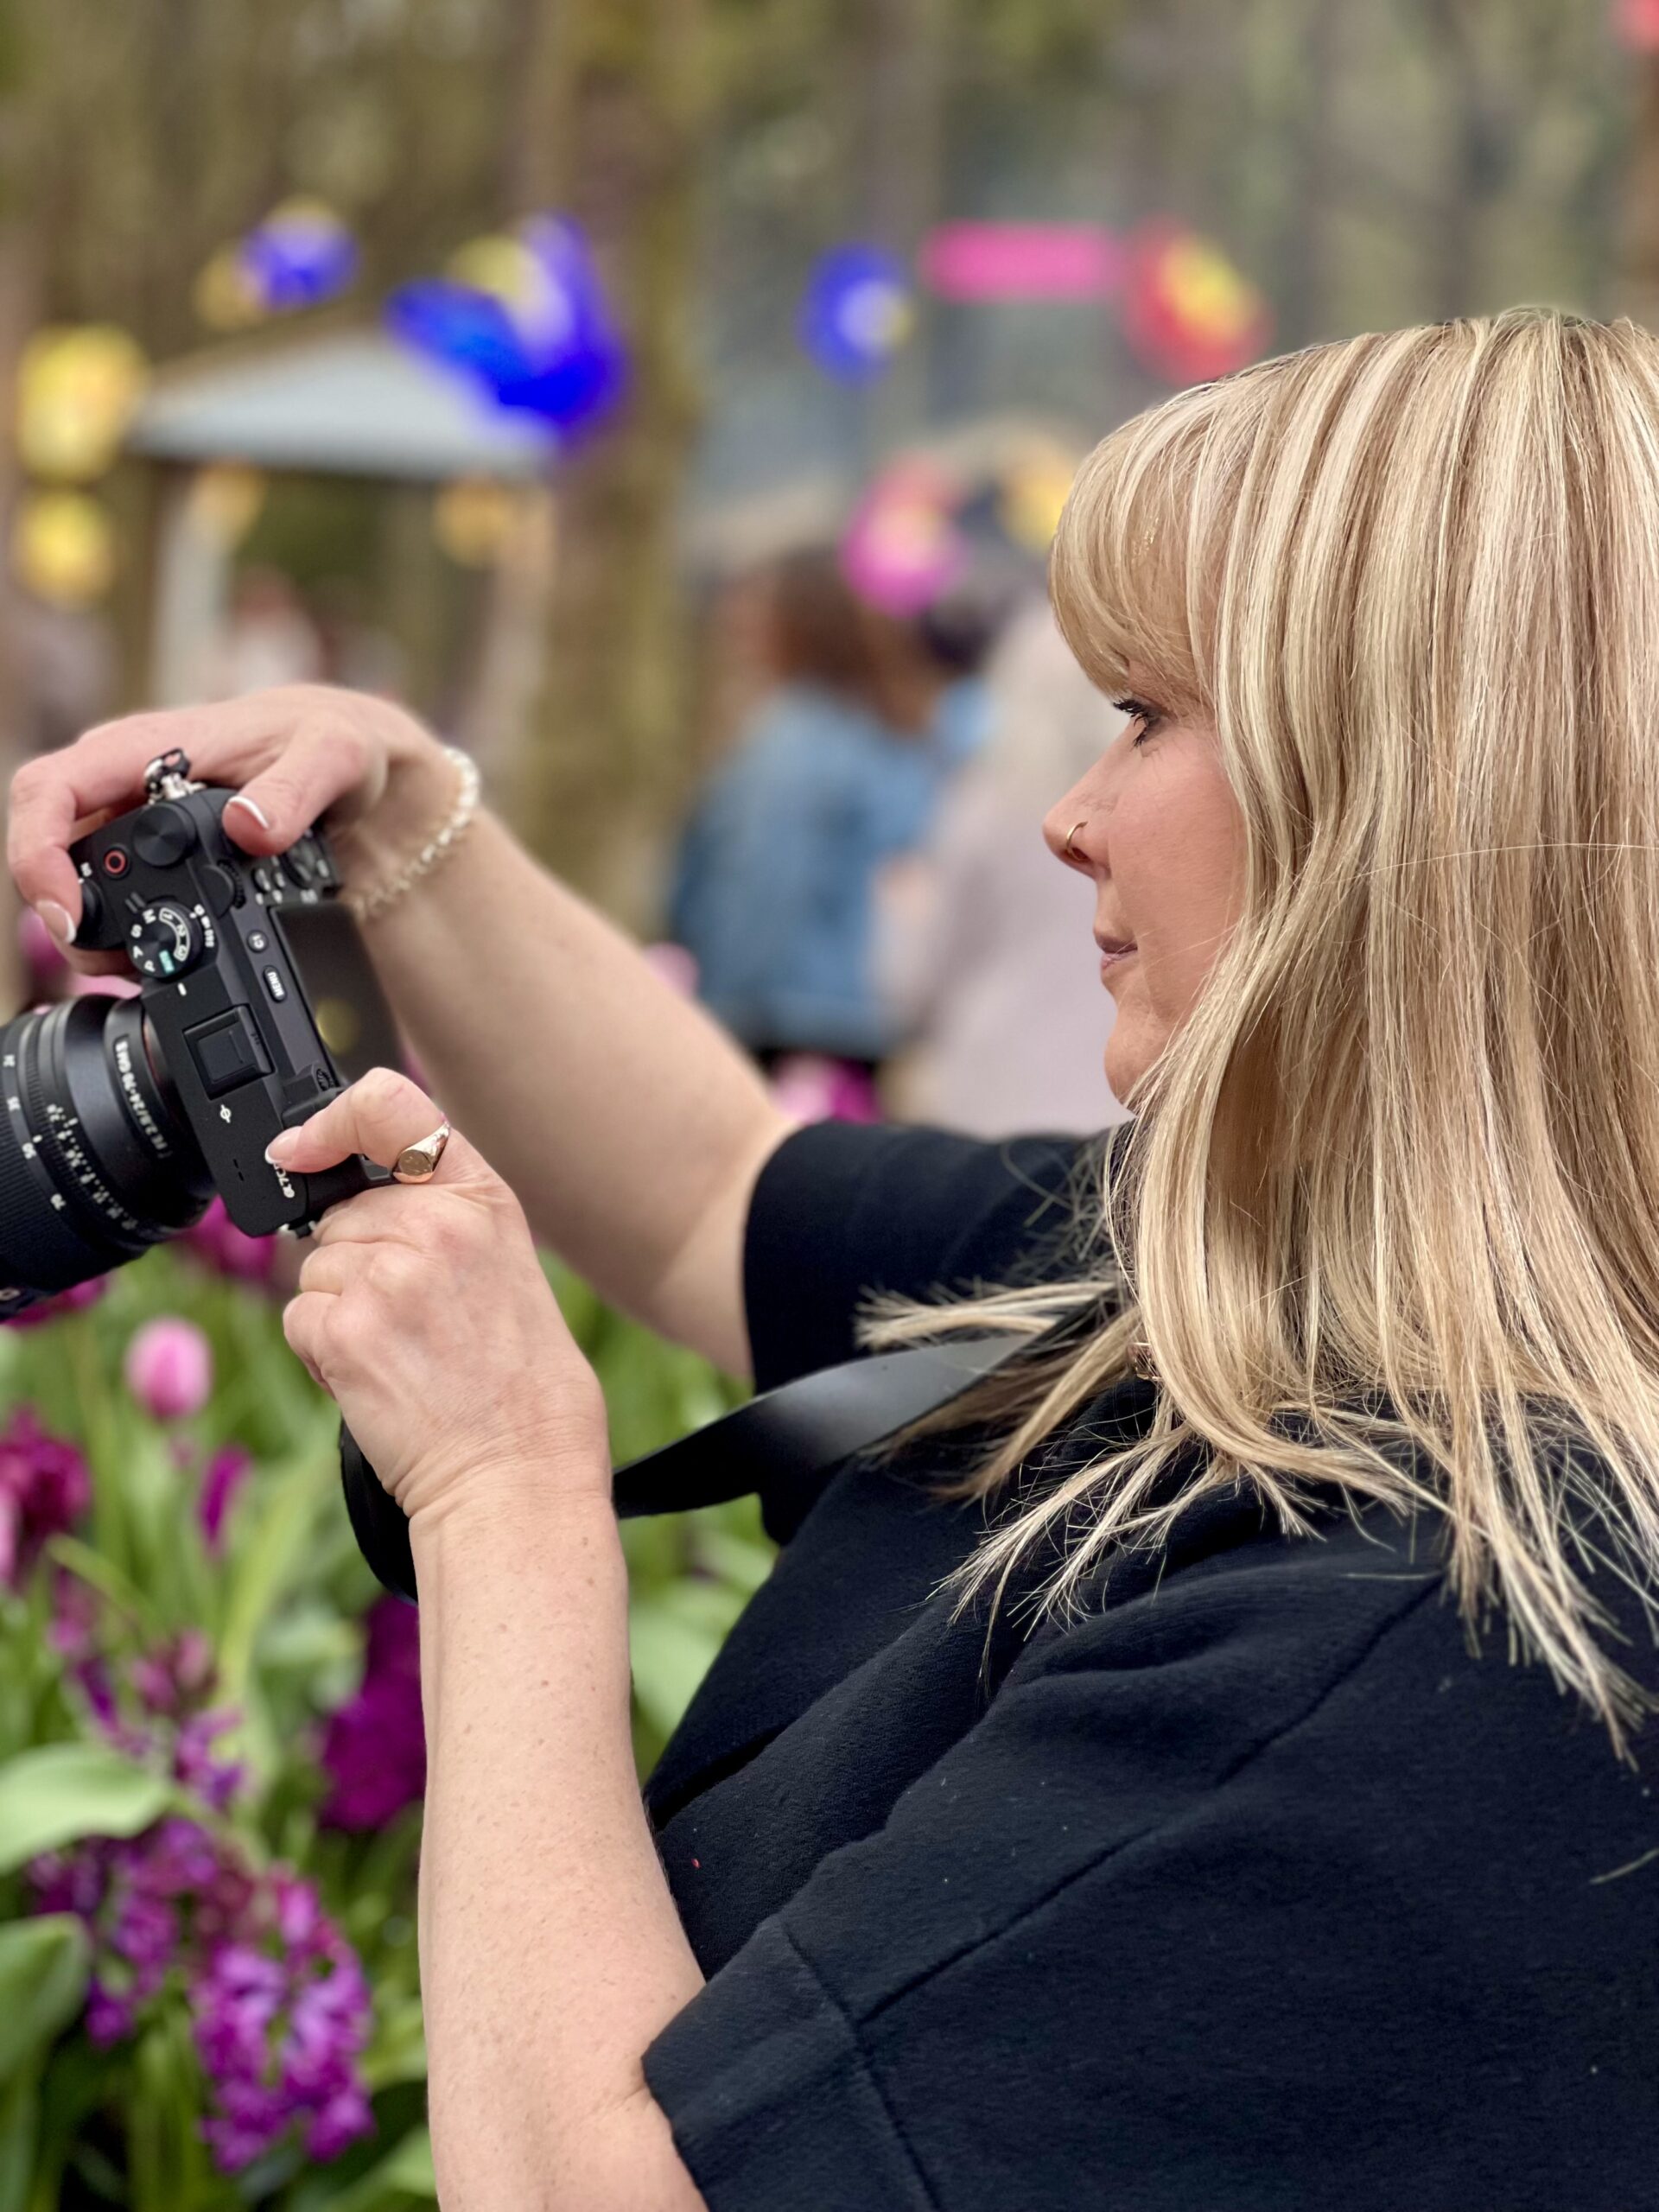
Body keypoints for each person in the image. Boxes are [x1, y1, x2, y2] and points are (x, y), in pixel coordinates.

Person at [13, 304, 1659, 2209]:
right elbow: (724, 1189)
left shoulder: (1443, 1637)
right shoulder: (1271, 1285)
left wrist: (498, 1489)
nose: (1065, 813)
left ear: (1402, 798)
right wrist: (386, 805)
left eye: (1148, 714)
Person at [669, 543, 990, 1067]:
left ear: (793, 626)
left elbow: (763, 887)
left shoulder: (793, 742)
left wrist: (720, 1009)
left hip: (782, 1019)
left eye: (751, 617)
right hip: (874, 1016)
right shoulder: (907, 731)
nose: (737, 634)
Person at [874, 593, 1136, 1135]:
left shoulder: (981, 809)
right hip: (1119, 1101)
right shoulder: (1155, 815)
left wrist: (898, 907)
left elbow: (916, 978)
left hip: (991, 1096)